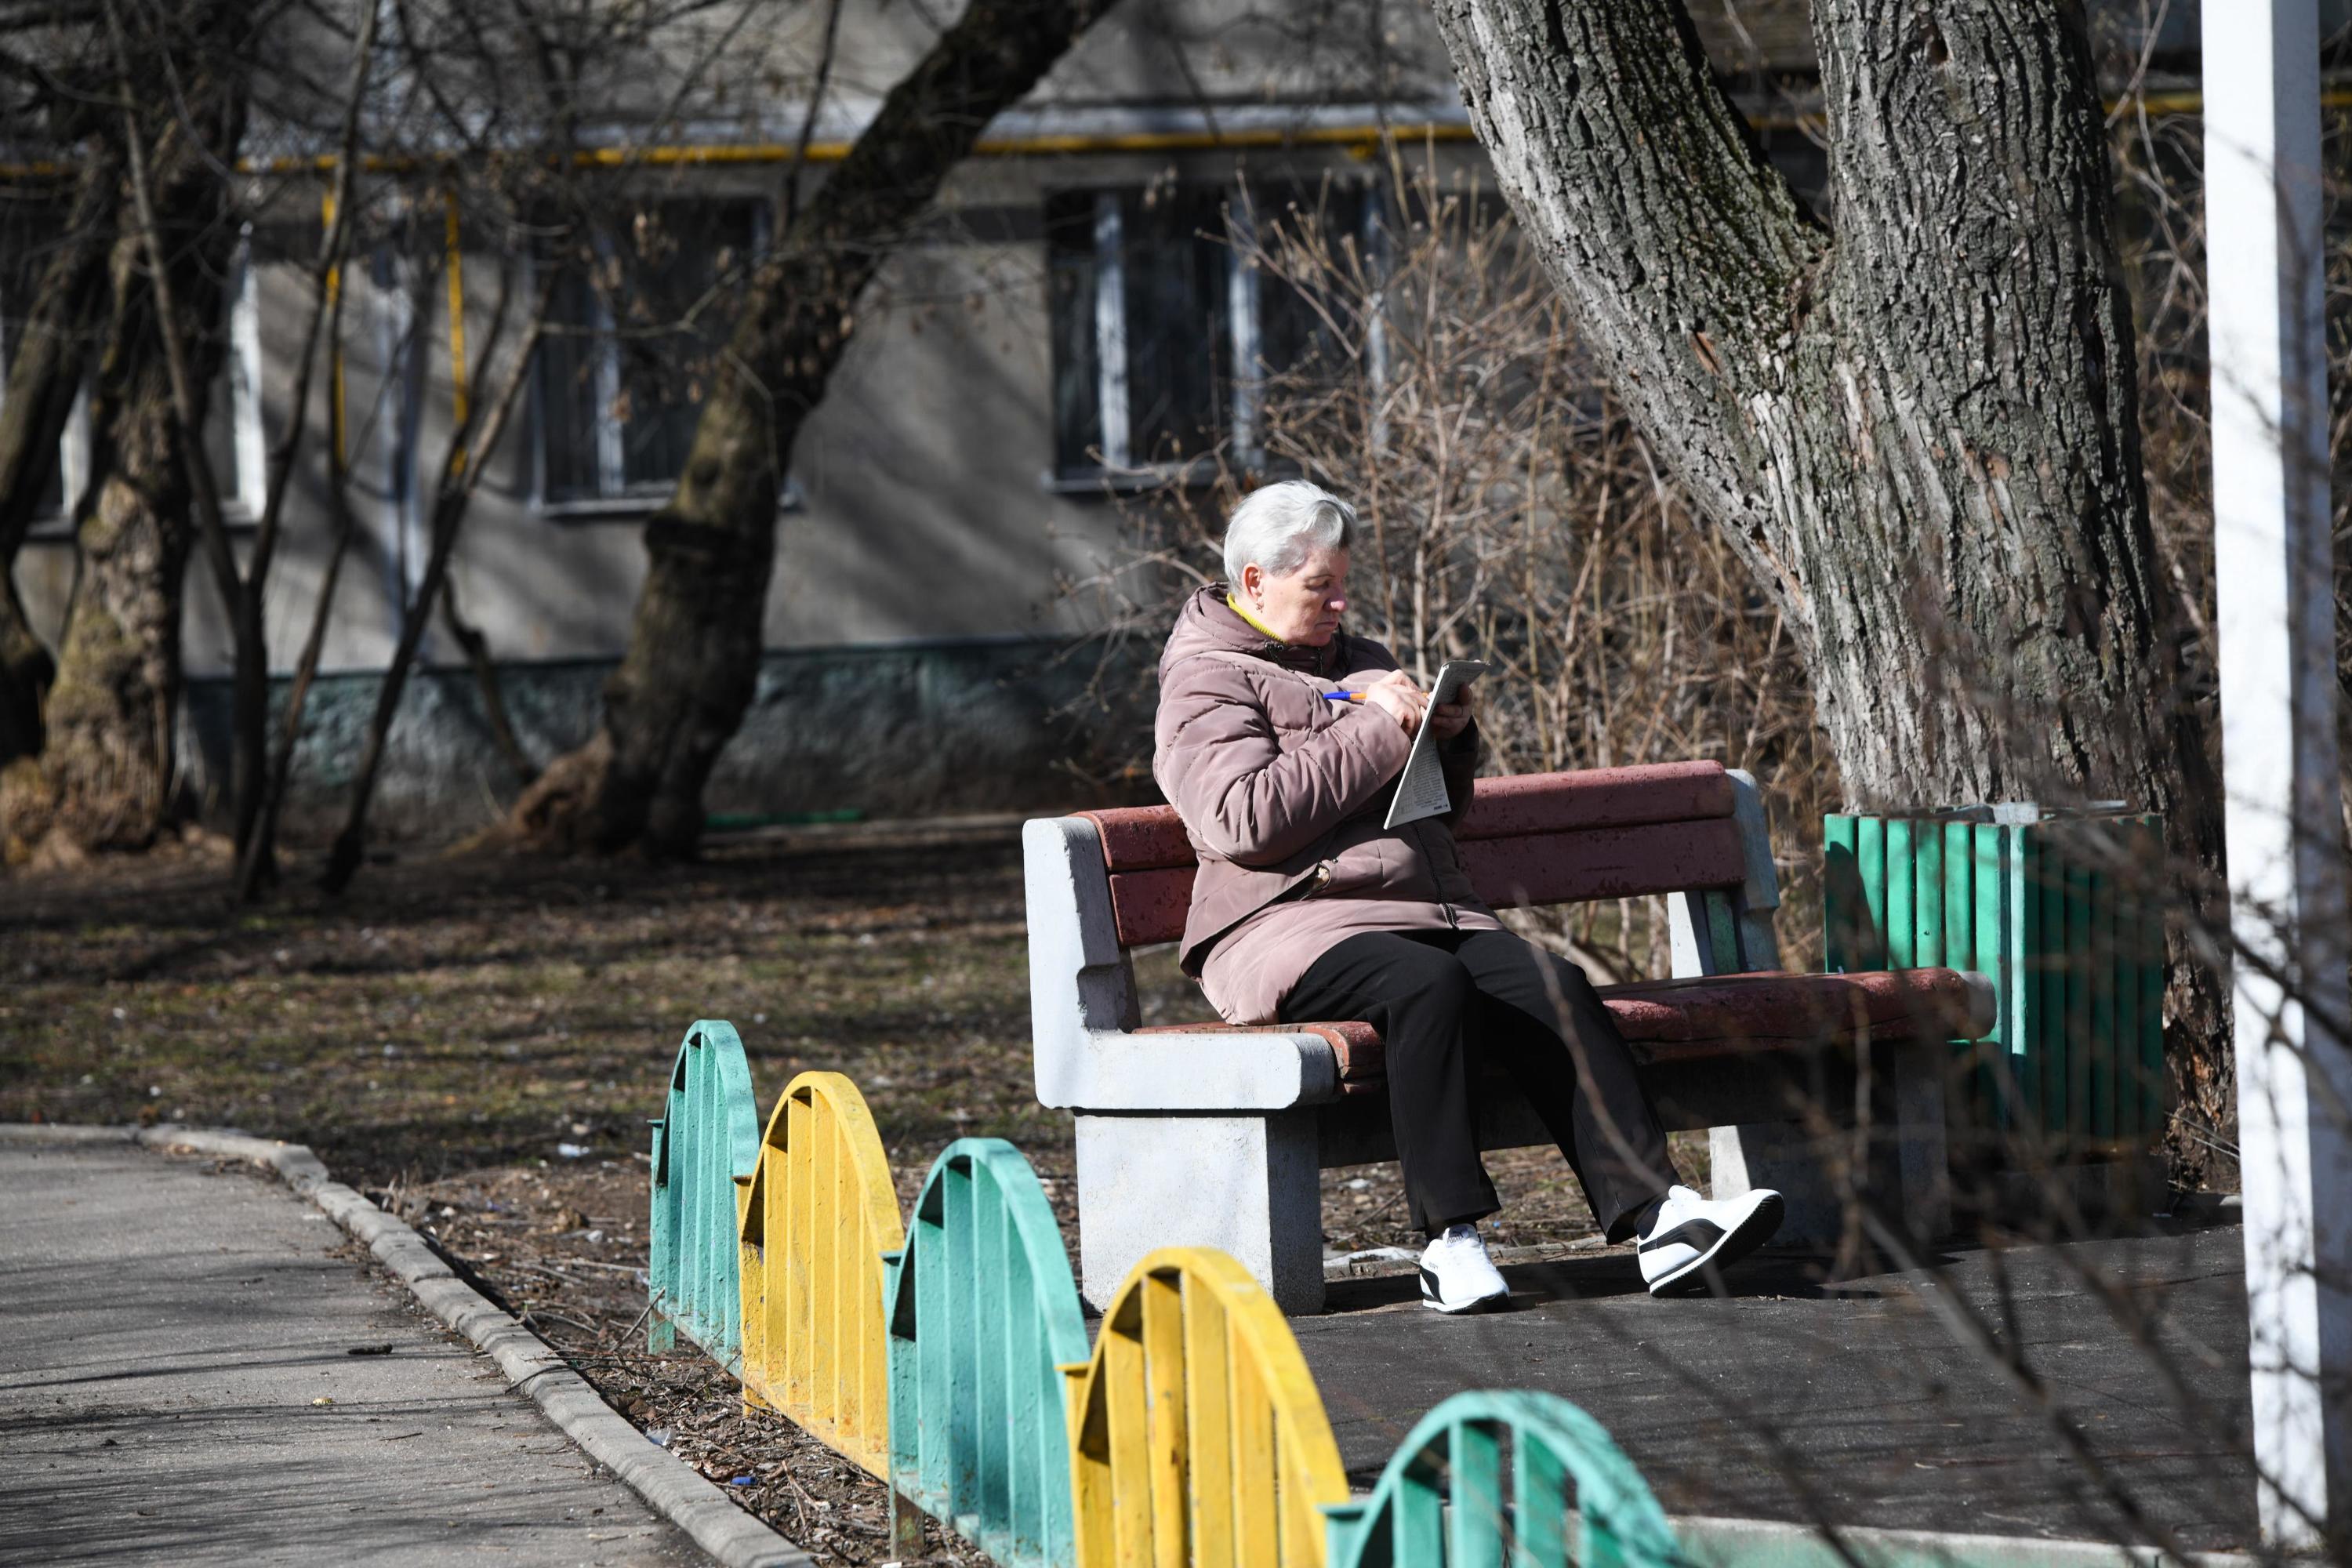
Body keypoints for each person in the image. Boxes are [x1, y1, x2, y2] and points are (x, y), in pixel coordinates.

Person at [1152, 479, 1784, 1309]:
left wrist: (1449, 741)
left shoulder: (1367, 662)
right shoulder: (1205, 683)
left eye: (1345, 582)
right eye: (1320, 587)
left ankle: (1660, 1217)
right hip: (1283, 927)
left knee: (1551, 983)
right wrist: (1378, 727)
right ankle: (1449, 1241)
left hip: (1421, 910)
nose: (1342, 601)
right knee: (1427, 986)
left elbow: (1435, 811)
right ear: (1254, 582)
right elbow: (1244, 819)